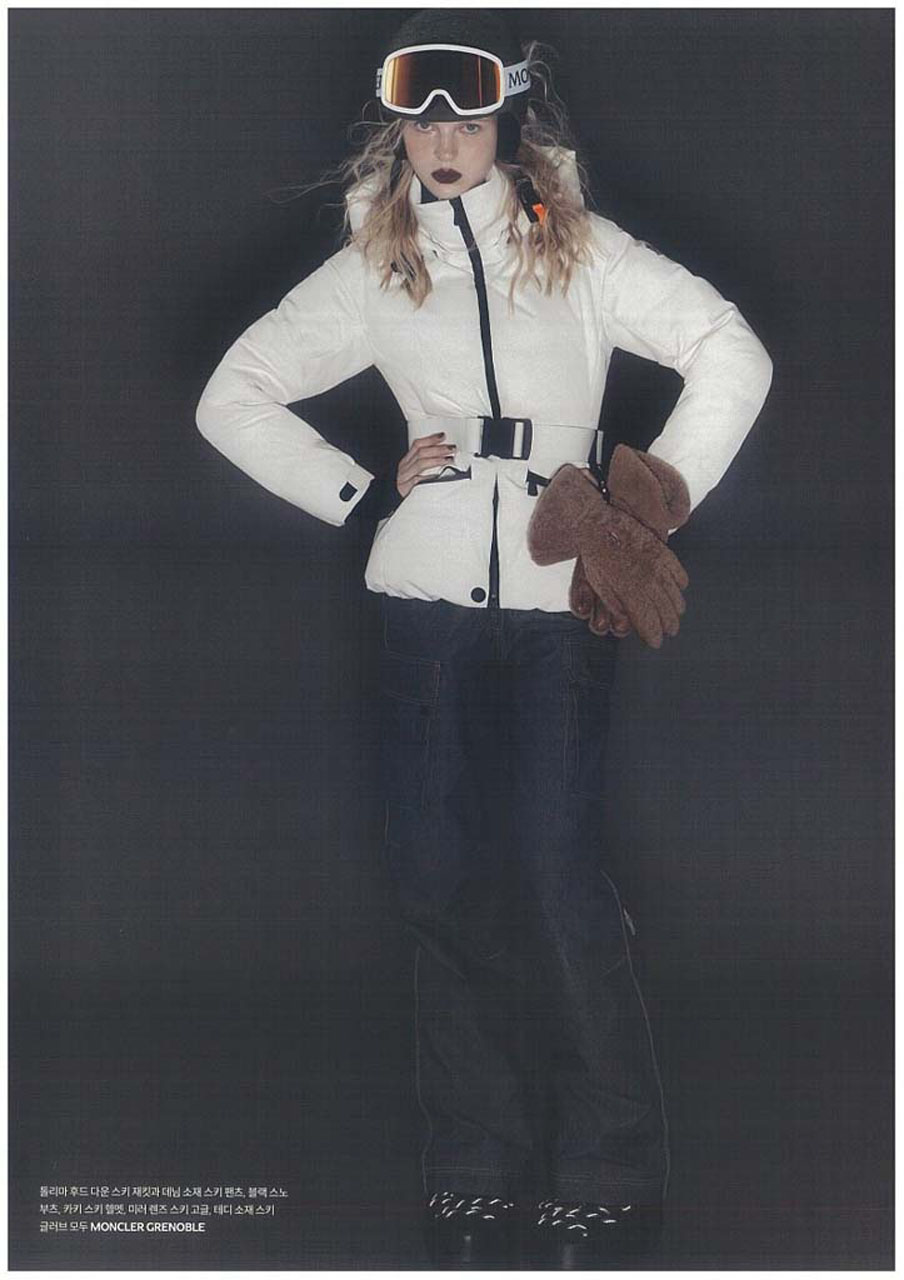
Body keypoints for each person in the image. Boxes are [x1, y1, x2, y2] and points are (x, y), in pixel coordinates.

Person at [195, 9, 773, 1267]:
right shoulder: (375, 265)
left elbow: (729, 346)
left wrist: (651, 496)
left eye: (465, 117)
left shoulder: (578, 250)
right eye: (422, 120)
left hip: (563, 608)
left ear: (505, 117)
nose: (444, 141)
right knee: (440, 879)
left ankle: (610, 1164)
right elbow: (231, 393)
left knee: (560, 881)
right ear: (397, 130)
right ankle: (472, 1160)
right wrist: (360, 490)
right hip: (422, 610)